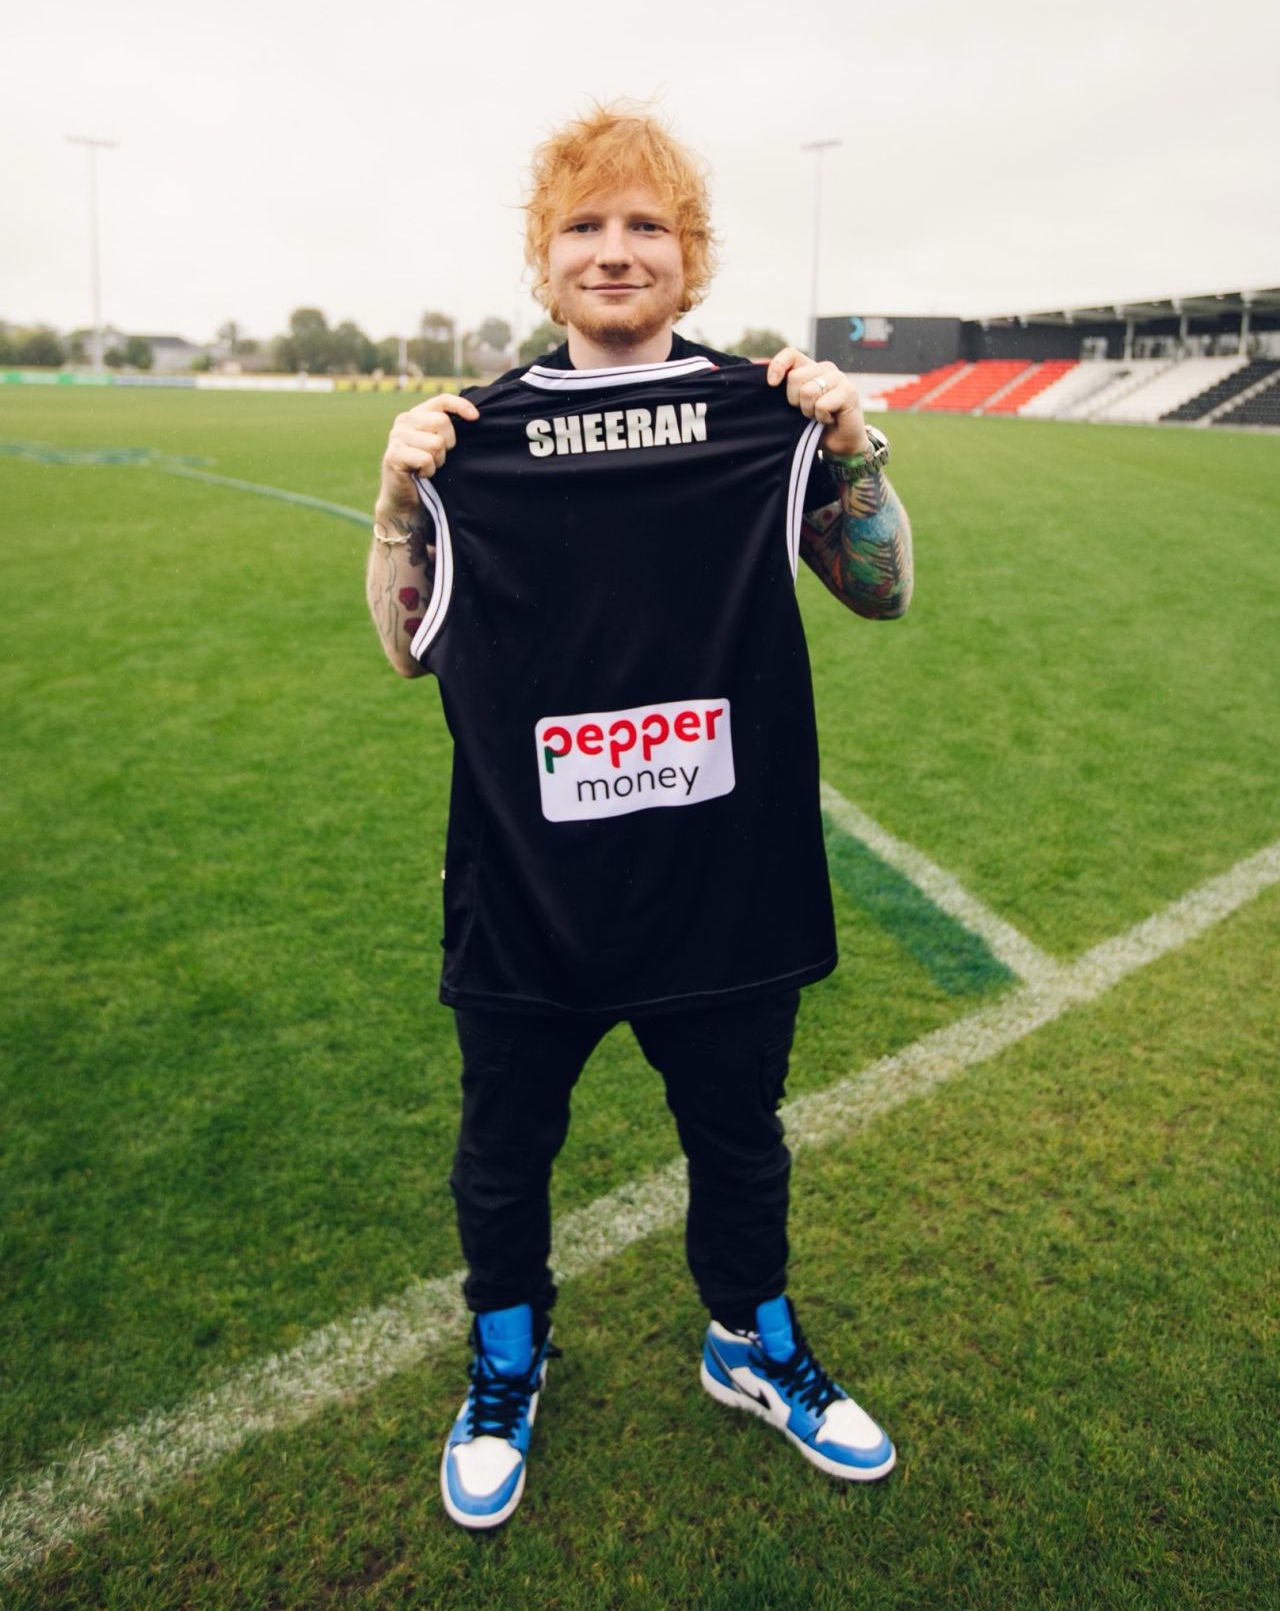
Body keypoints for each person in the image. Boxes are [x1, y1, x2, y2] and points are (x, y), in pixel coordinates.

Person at [366, 104, 913, 1531]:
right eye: (586, 228)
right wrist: (396, 499)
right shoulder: (472, 439)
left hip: (723, 877)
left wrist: (851, 444)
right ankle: (508, 1354)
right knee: (504, 1146)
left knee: (739, 1136)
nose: (618, 251)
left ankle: (750, 1340)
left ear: (693, 257)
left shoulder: (766, 416)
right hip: (529, 878)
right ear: (544, 265)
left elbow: (883, 589)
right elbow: (407, 644)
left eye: (647, 226)